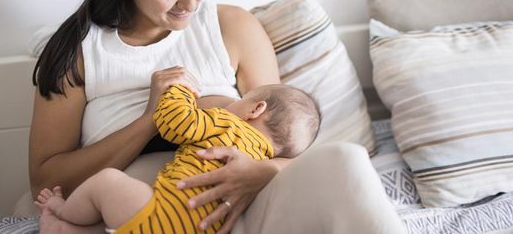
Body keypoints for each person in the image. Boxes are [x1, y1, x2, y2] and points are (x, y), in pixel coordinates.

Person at [30, 0, 406, 234]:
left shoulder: (233, 27)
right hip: (146, 216)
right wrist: (150, 120)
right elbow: (44, 180)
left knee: (348, 160)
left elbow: (289, 147)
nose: (190, 5)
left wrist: (262, 172)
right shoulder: (78, 53)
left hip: (241, 209)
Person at [34, 75, 321, 233]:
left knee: (106, 182)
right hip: (195, 228)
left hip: (159, 216)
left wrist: (179, 90)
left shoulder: (228, 124)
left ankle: (62, 212)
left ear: (255, 109)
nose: (231, 104)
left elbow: (175, 124)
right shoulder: (261, 162)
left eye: (239, 99)